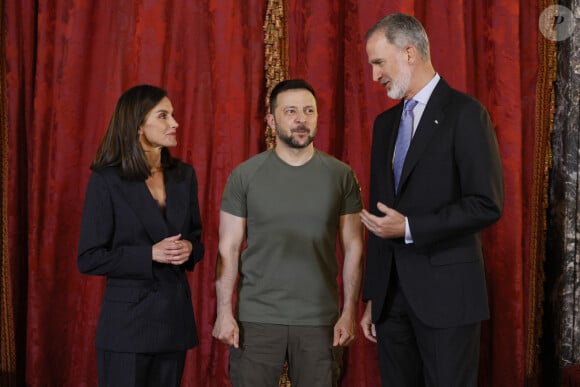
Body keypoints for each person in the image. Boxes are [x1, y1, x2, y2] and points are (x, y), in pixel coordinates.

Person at [359, 13, 504, 387]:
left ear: (409, 53)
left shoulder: (466, 114)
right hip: (391, 303)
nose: (375, 75)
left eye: (379, 62)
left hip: (448, 298)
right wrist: (374, 296)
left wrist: (409, 227)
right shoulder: (384, 125)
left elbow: (486, 203)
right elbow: (379, 215)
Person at [212, 79, 364, 387]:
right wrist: (224, 312)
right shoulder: (245, 176)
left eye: (309, 111)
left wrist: (349, 312)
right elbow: (227, 249)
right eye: (291, 111)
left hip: (320, 321)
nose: (301, 119)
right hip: (256, 320)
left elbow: (354, 248)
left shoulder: (341, 176)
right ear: (271, 119)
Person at [77, 84, 204, 387]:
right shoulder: (106, 181)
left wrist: (190, 248)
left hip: (174, 323)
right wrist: (149, 254)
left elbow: (197, 239)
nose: (174, 123)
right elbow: (89, 258)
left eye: (172, 114)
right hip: (127, 329)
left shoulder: (184, 175)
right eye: (163, 116)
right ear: (137, 125)